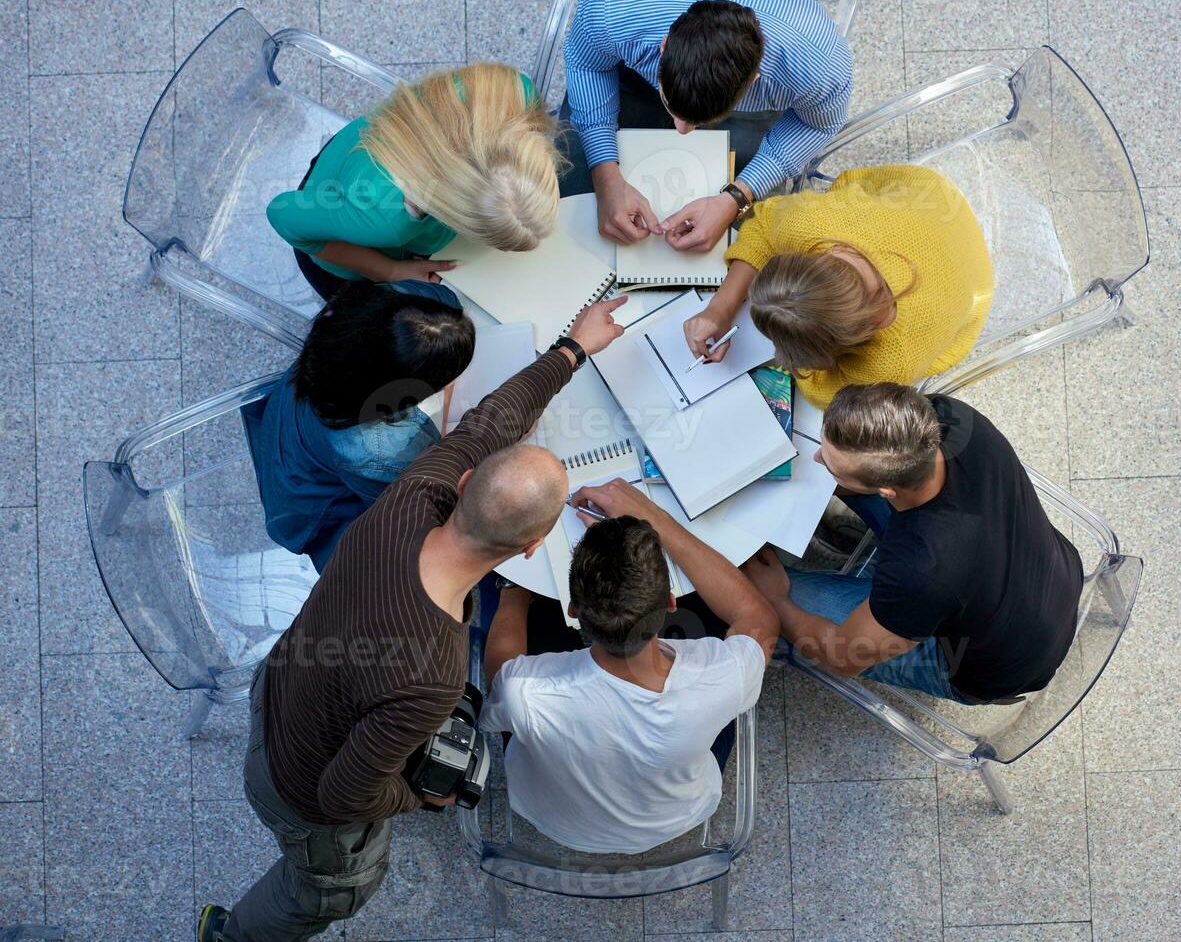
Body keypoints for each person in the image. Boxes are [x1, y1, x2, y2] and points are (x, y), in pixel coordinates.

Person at [195, 297, 627, 942]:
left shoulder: (411, 493)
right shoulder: (431, 675)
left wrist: (572, 350)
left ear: (464, 482)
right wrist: (422, 796)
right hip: (298, 792)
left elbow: (486, 425)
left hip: (277, 693)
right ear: (534, 548)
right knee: (334, 892)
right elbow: (345, 796)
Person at [481, 478, 778, 854]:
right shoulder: (717, 676)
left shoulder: (526, 692)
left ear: (573, 612)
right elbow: (759, 619)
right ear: (671, 603)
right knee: (716, 619)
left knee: (509, 617)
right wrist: (657, 519)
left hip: (557, 818)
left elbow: (499, 676)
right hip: (679, 810)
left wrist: (513, 591)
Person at [739, 383, 1083, 704]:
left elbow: (844, 657)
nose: (817, 459)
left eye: (834, 467)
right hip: (1051, 577)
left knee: (750, 596)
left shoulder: (920, 571)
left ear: (887, 491)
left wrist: (775, 600)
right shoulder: (953, 418)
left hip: (996, 666)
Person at [560, 0, 852, 253]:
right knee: (569, 200)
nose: (681, 131)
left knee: (752, 243)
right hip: (629, 77)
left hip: (753, 112)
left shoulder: (820, 68)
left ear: (753, 81)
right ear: (664, 47)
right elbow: (587, 65)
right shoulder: (611, 9)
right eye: (674, 109)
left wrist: (737, 197)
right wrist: (606, 175)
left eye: (699, 121)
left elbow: (819, 123)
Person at [682, 164, 994, 409]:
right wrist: (720, 308)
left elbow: (824, 394)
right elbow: (763, 227)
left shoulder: (891, 360)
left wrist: (792, 356)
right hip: (930, 199)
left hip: (969, 278)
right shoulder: (816, 224)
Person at [267, 62, 561, 301]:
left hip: (369, 151)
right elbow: (281, 212)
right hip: (341, 233)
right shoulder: (382, 216)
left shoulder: (508, 93)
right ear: (452, 209)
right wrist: (389, 270)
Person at [241, 279, 474, 573]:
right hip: (325, 503)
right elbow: (427, 503)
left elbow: (443, 300)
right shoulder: (376, 451)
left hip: (291, 417)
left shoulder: (375, 315)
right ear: (400, 396)